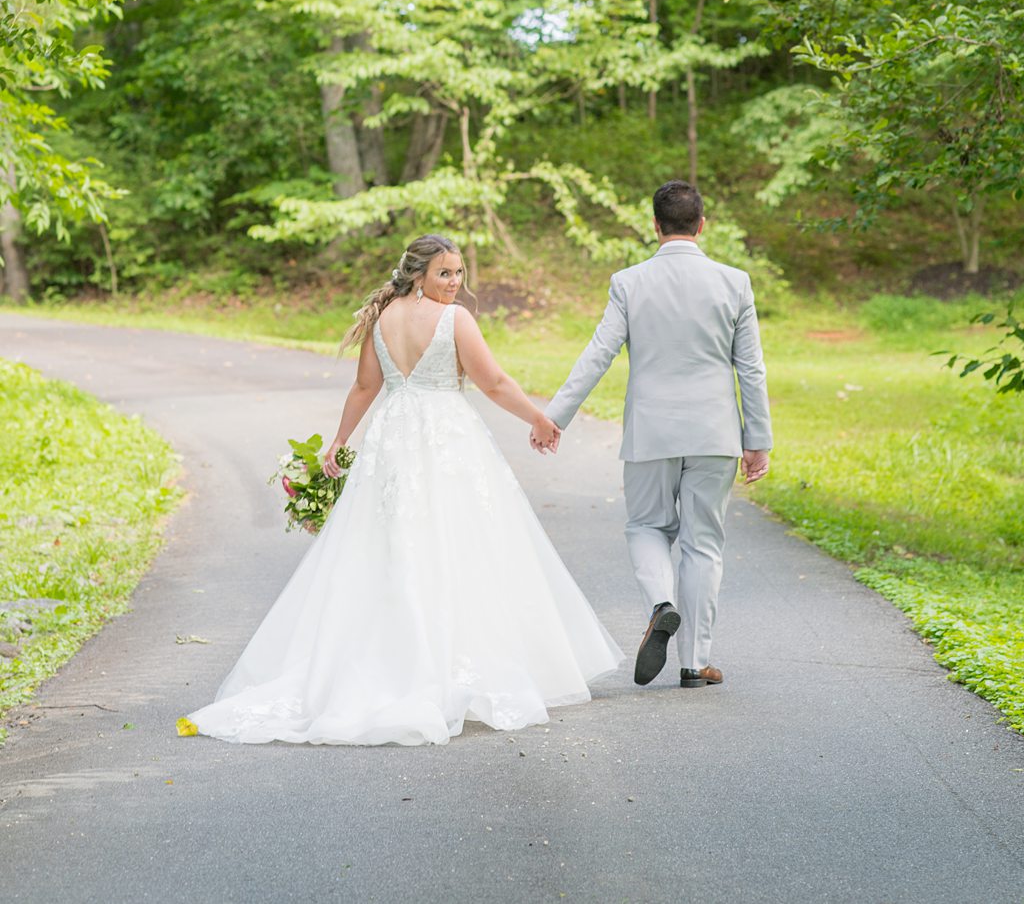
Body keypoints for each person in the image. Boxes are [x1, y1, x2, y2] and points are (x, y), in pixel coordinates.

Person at [187, 234, 622, 747]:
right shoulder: (455, 320)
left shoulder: (383, 316)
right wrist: (540, 420)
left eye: (459, 274)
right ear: (418, 274)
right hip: (446, 439)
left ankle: (402, 658)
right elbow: (494, 382)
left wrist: (343, 440)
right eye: (445, 274)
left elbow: (367, 389)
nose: (455, 283)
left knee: (394, 545)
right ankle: (439, 665)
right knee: (453, 541)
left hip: (393, 439)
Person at [542, 180, 772, 690]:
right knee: (703, 543)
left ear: (654, 225)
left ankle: (660, 605)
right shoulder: (734, 282)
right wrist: (758, 439)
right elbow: (750, 369)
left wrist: (556, 415)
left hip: (650, 429)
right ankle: (695, 662)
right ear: (702, 225)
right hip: (715, 432)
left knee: (647, 526)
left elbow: (597, 354)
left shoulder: (629, 282)